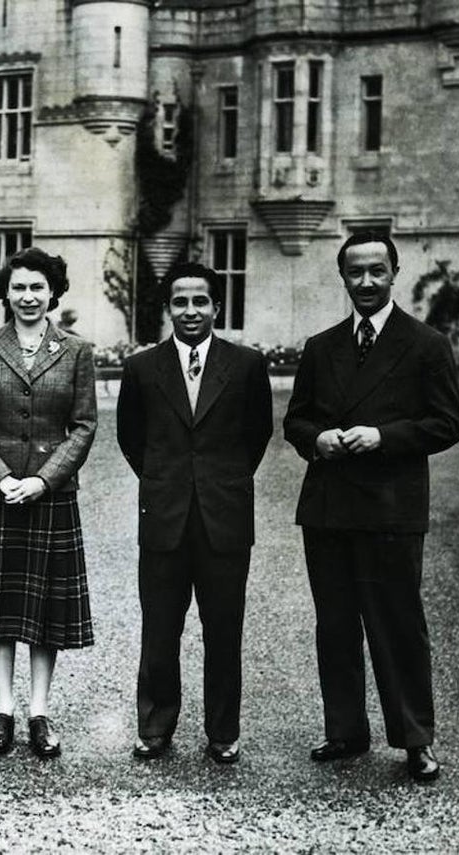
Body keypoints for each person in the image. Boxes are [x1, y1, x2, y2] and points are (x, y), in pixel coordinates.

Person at [284, 232, 459, 782]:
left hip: (391, 510)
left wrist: (382, 436)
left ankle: (415, 739)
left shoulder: (426, 344)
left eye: (376, 271)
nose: (365, 282)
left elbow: (447, 424)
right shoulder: (322, 346)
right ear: (343, 278)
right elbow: (296, 420)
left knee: (398, 624)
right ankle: (345, 730)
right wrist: (319, 440)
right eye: (355, 273)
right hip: (329, 508)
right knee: (335, 625)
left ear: (394, 273)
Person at [0, 246, 97, 759]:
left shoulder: (76, 351)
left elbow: (84, 426)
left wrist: (45, 481)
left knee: (45, 610)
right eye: (19, 288)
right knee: (0, 607)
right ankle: (3, 710)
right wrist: (1, 477)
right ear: (5, 293)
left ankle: (39, 712)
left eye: (37, 288)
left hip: (50, 499)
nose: (28, 297)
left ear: (53, 293)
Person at [116, 262, 273, 764]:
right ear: (168, 309)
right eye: (180, 302)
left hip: (224, 520)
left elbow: (257, 435)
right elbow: (131, 437)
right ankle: (156, 727)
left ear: (216, 307)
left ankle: (223, 731)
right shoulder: (142, 367)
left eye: (200, 301)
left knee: (223, 630)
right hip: (163, 518)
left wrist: (218, 483)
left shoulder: (247, 365)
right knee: (160, 630)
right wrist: (168, 483)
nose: (190, 311)